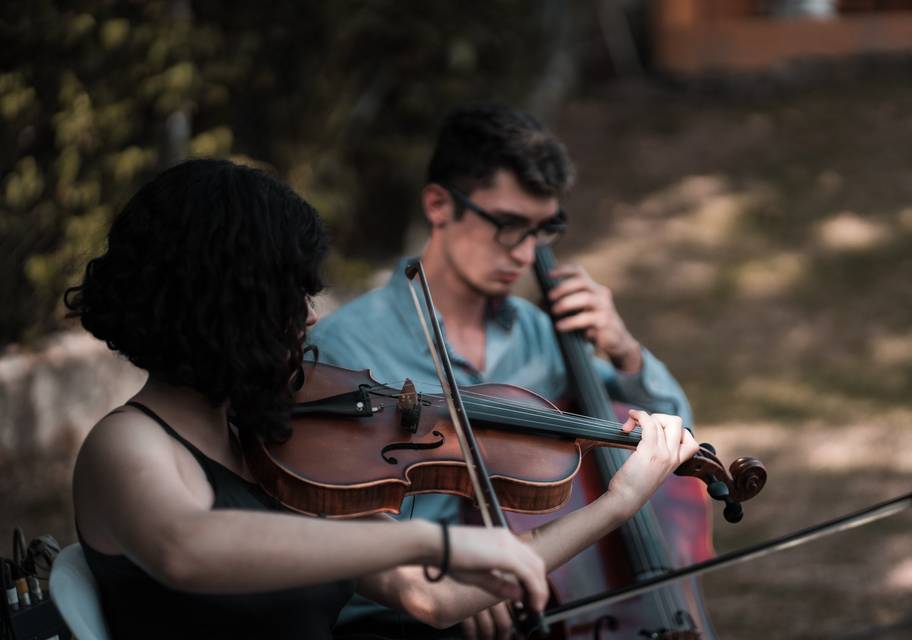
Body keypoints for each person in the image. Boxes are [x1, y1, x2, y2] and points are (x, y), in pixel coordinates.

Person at [67, 158, 698, 640]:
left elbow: (437, 596)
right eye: (289, 299)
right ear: (225, 309)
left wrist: (616, 503)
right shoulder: (127, 445)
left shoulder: (277, 442)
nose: (307, 321)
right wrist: (428, 540)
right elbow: (188, 548)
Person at [309, 104, 698, 639]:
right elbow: (321, 512)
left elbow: (671, 439)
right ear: (439, 205)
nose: (526, 252)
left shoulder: (543, 335)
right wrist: (446, 573)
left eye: (544, 229)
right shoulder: (342, 347)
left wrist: (625, 351)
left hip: (538, 597)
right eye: (509, 225)